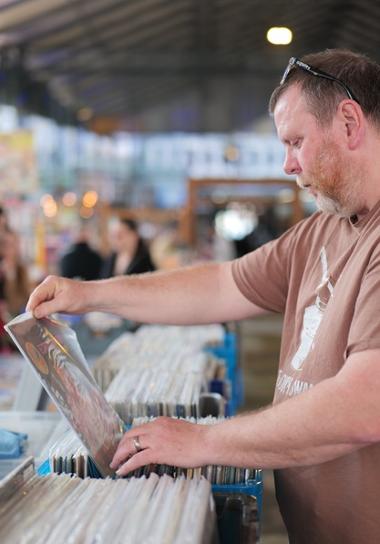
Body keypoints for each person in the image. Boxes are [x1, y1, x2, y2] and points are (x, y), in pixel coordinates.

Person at [26, 48, 380, 543]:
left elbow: (365, 405)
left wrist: (203, 440)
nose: (286, 164)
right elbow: (219, 285)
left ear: (348, 123)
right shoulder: (323, 230)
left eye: (296, 141)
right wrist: (89, 295)